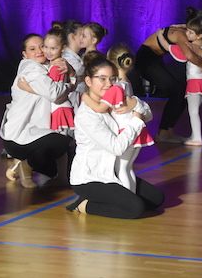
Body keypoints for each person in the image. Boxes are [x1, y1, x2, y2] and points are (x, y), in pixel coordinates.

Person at [66, 52, 164, 218]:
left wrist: (135, 104)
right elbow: (117, 148)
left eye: (112, 79)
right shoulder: (86, 115)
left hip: (113, 172)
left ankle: (111, 198)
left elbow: (148, 115)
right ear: (88, 81)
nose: (109, 84)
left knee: (156, 199)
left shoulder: (113, 100)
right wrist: (136, 119)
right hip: (91, 178)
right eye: (102, 79)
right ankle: (83, 204)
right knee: (135, 209)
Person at [0, 34, 74, 188]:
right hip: (19, 136)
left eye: (42, 46)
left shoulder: (47, 67)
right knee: (61, 142)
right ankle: (26, 165)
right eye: (32, 49)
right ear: (25, 54)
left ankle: (20, 163)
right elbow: (54, 94)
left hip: (34, 133)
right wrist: (71, 85)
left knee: (55, 170)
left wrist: (72, 74)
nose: (40, 51)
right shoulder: (30, 68)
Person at [80, 44, 154, 192]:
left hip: (126, 130)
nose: (108, 82)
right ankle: (132, 196)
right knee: (127, 169)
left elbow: (100, 108)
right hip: (135, 128)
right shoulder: (125, 83)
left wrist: (84, 97)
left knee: (122, 170)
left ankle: (129, 199)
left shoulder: (115, 87)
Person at [134, 7, 202, 142]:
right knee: (178, 91)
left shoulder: (187, 30)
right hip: (146, 61)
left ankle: (166, 131)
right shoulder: (181, 34)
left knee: (182, 91)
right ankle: (163, 133)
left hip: (155, 60)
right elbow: (189, 55)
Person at [157, 17, 202, 146]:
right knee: (194, 110)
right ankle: (195, 135)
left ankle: (197, 138)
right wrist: (181, 26)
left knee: (193, 112)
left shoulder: (191, 47)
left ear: (198, 35)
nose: (186, 34)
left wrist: (160, 35)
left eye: (190, 32)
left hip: (194, 82)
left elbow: (168, 47)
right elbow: (197, 29)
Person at [43, 27, 75, 135]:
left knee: (58, 141)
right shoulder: (54, 64)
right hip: (58, 107)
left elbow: (54, 92)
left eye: (53, 48)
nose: (48, 51)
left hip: (58, 108)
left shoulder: (57, 67)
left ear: (63, 48)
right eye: (45, 47)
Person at [55, 20, 85, 108]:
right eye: (82, 35)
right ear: (72, 36)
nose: (84, 37)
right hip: (72, 101)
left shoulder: (78, 57)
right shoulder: (67, 59)